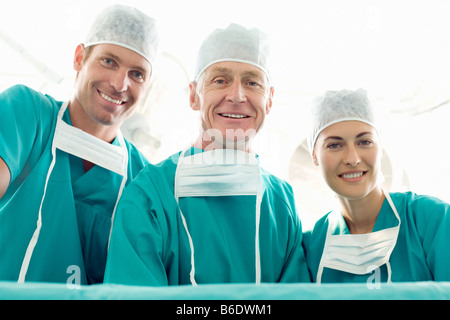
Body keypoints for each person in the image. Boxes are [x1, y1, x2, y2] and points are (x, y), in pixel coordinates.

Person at [104, 23, 310, 286]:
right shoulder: (149, 197)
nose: (237, 95)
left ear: (269, 99)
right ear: (194, 96)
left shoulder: (281, 203)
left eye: (252, 82)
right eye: (220, 80)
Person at [0, 4, 159, 284]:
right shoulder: (27, 114)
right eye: (109, 61)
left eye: (137, 74)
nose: (119, 83)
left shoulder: (144, 182)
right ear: (79, 58)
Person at [303, 89, 450, 283]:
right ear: (314, 155)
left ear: (380, 147)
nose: (352, 159)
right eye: (334, 145)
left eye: (365, 142)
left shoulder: (432, 220)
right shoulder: (311, 246)